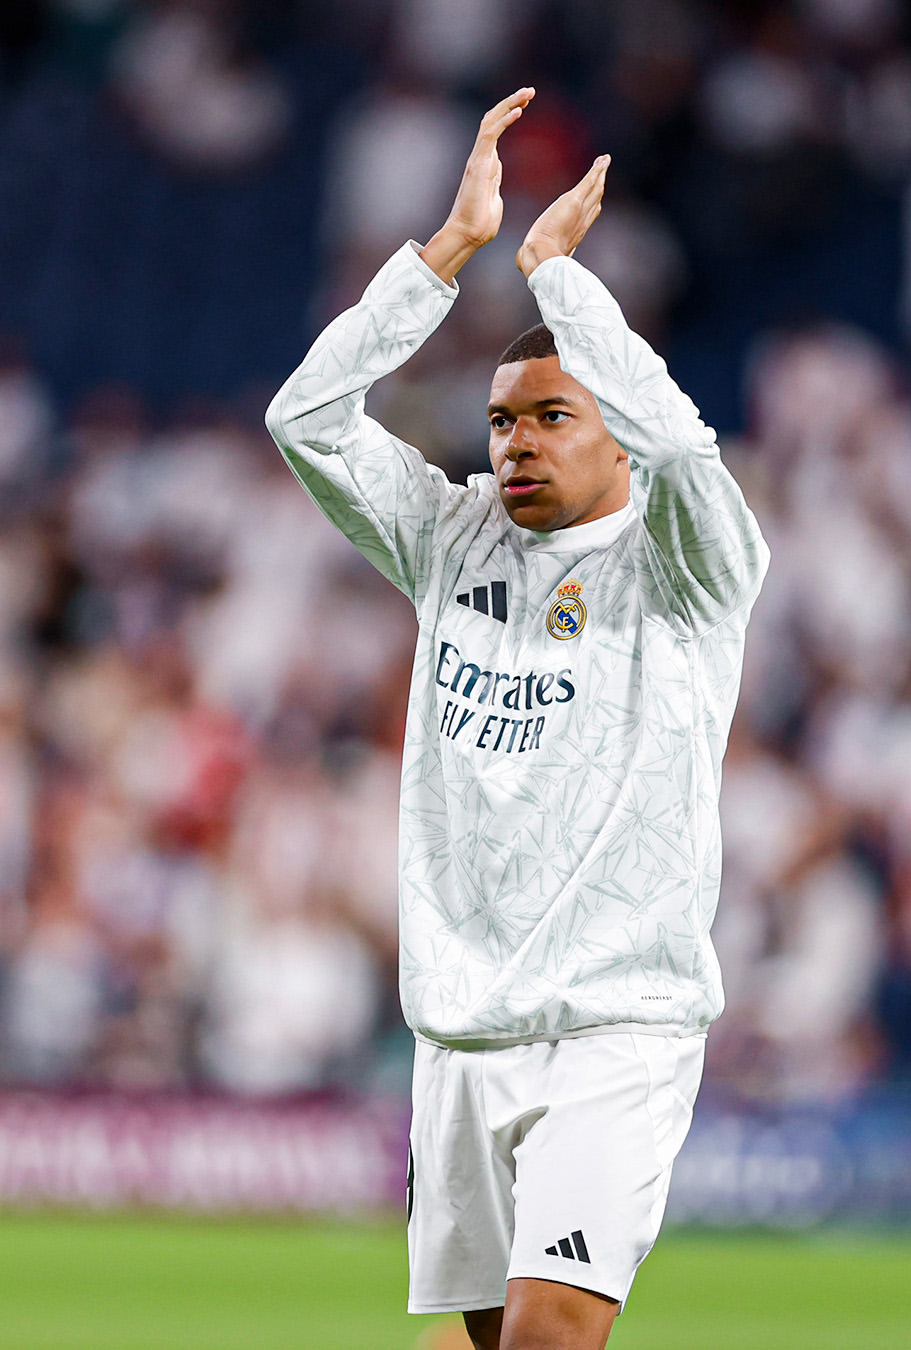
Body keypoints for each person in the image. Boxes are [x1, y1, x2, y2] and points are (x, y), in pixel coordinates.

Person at [266, 88, 768, 1350]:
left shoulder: (690, 566)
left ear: (617, 435)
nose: (517, 444)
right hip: (461, 1028)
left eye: (553, 417)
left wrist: (558, 280)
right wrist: (446, 257)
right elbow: (303, 421)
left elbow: (686, 451)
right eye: (501, 421)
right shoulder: (450, 540)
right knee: (481, 1342)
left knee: (550, 1333)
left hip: (616, 1021)